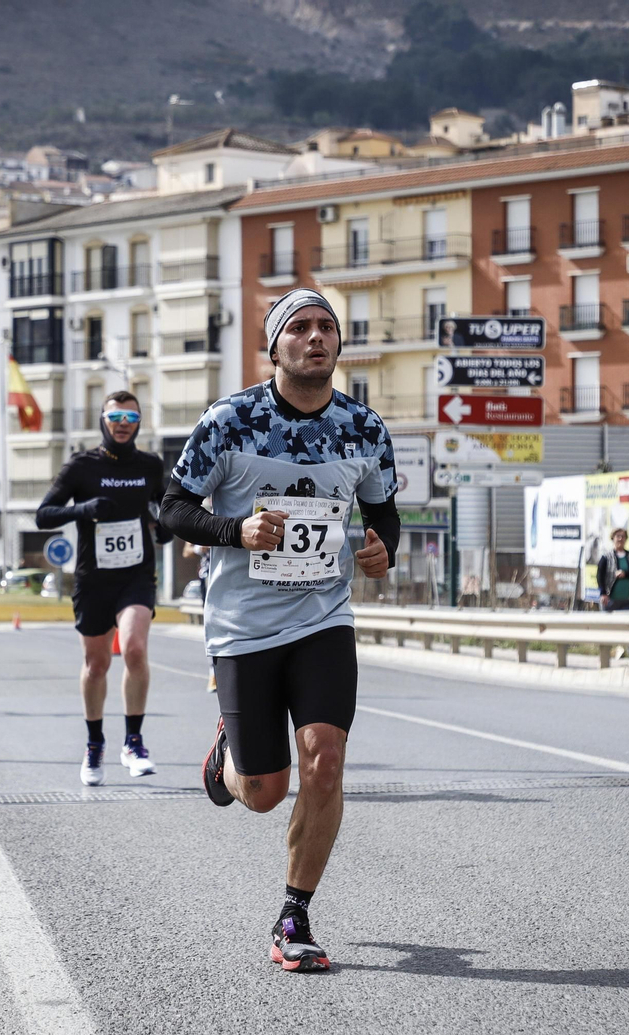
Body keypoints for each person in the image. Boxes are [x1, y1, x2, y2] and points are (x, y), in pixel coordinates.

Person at [162, 287, 399, 973]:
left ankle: (294, 913)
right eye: (299, 327)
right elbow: (173, 509)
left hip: (324, 616)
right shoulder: (230, 420)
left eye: (327, 326)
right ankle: (228, 759)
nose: (315, 336)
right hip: (243, 624)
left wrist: (382, 547)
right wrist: (234, 530)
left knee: (325, 758)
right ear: (274, 346)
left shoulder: (364, 427)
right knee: (265, 792)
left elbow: (385, 513)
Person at [36, 391, 171, 785]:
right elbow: (44, 514)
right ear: (103, 420)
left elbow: (166, 509)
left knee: (134, 648)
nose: (123, 424)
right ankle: (94, 744)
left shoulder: (150, 465)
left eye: (131, 417)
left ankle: (134, 742)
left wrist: (164, 526)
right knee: (96, 665)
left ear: (139, 422)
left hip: (136, 576)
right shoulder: (82, 466)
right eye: (116, 417)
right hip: (93, 579)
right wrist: (83, 509)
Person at [596, 527, 629, 665]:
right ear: (613, 538)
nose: (620, 539)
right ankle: (604, 658)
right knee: (607, 630)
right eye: (618, 536)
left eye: (623, 536)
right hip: (610, 600)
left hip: (627, 600)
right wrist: (603, 593)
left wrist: (626, 574)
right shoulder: (606, 557)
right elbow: (600, 576)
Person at [183, 540, 217, 693]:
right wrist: (199, 548)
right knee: (212, 623)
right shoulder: (205, 521)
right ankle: (213, 672)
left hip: (236, 575)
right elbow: (186, 551)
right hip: (209, 577)